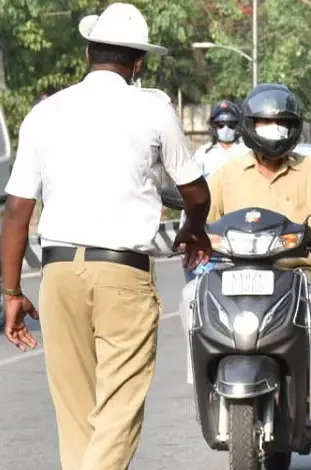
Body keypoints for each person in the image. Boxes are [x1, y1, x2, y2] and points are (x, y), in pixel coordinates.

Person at [1, 4, 211, 470]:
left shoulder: (46, 112)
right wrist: (195, 232)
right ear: (138, 62)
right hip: (121, 275)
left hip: (56, 274)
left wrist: (12, 292)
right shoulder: (153, 106)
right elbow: (196, 192)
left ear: (89, 52)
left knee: (76, 415)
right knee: (117, 411)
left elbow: (16, 211)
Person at [177, 83, 311, 469]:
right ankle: (203, 386)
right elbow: (201, 217)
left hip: (294, 279)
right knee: (188, 299)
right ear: (249, 125)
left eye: (281, 123)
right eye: (264, 122)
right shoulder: (226, 175)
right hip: (234, 276)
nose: (272, 130)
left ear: (294, 128)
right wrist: (192, 236)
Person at [180, 99, 248, 283]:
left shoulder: (247, 154)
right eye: (221, 124)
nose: (225, 128)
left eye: (231, 124)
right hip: (209, 229)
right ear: (213, 127)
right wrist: (185, 231)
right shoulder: (203, 155)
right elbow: (191, 193)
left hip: (241, 229)